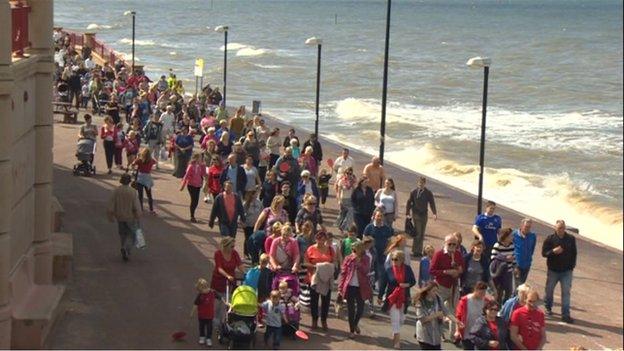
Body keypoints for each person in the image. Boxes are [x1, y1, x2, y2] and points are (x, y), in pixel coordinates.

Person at [429, 234, 465, 341]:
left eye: (455, 244)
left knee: (454, 311)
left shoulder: (458, 254)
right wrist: (446, 272)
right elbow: (432, 270)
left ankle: (453, 335)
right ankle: (438, 333)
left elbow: (462, 268)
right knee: (438, 310)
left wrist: (458, 270)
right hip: (441, 286)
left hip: (453, 287)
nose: (452, 246)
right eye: (450, 244)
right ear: (445, 243)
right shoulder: (439, 254)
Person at [542, 219, 577, 324]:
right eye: (559, 228)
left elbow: (574, 253)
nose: (561, 230)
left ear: (565, 227)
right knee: (549, 290)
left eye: (562, 227)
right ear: (555, 228)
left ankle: (565, 314)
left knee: (566, 293)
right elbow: (544, 253)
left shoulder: (571, 238)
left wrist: (572, 266)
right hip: (553, 270)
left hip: (566, 271)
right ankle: (548, 306)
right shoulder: (550, 239)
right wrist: (553, 251)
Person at [382, 250, 416, 349]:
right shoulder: (389, 270)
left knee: (401, 319)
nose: (394, 261)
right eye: (392, 259)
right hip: (392, 297)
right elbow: (383, 283)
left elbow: (413, 281)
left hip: (404, 297)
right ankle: (397, 340)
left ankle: (395, 331)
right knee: (395, 319)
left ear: (401, 260)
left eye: (396, 259)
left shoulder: (408, 269)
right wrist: (380, 296)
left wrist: (407, 285)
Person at [337, 241, 372, 339]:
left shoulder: (366, 258)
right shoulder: (348, 259)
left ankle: (355, 324)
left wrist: (359, 264)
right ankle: (352, 330)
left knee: (360, 309)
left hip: (361, 287)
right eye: (353, 249)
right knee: (350, 309)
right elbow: (343, 274)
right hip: (350, 286)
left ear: (361, 249)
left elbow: (366, 270)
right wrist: (340, 287)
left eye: (356, 249)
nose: (354, 251)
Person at [413, 281, 462, 350]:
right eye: (434, 291)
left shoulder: (438, 298)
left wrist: (457, 321)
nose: (436, 293)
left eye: (436, 291)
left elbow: (446, 312)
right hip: (424, 335)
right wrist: (436, 315)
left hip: (436, 334)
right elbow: (422, 319)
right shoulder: (420, 301)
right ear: (428, 291)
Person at [305, 231, 337, 331]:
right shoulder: (310, 249)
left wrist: (328, 267)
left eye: (323, 240)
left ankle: (324, 320)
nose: (321, 241)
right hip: (314, 277)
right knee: (314, 301)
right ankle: (314, 320)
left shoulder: (330, 250)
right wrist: (317, 267)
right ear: (316, 239)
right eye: (319, 239)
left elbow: (335, 261)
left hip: (326, 279)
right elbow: (305, 263)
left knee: (326, 301)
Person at [211, 237, 246, 328]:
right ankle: (214, 320)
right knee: (217, 302)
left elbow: (239, 265)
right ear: (226, 246)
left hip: (230, 282)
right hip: (219, 280)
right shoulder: (218, 254)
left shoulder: (234, 253)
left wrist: (245, 272)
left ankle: (223, 321)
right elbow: (219, 268)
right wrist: (227, 275)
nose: (233, 248)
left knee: (226, 302)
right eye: (232, 246)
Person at [106, 173, 141, 261]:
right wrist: (138, 215)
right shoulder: (133, 192)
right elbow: (136, 206)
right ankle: (126, 248)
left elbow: (111, 204)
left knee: (123, 234)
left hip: (119, 216)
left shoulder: (116, 191)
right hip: (130, 216)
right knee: (133, 234)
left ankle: (123, 246)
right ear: (129, 181)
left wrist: (110, 215)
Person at [363, 209, 394, 303]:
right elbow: (364, 240)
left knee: (382, 275)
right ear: (374, 216)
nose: (379, 218)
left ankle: (382, 294)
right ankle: (368, 293)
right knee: (372, 275)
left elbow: (390, 241)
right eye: (378, 216)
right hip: (371, 257)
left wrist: (387, 251)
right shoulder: (369, 228)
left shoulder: (387, 228)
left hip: (382, 256)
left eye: (381, 216)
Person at [406, 177, 438, 257]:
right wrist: (407, 212)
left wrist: (434, 213)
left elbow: (432, 203)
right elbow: (409, 202)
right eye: (420, 183)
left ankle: (418, 250)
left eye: (422, 183)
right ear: (418, 183)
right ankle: (415, 250)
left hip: (424, 214)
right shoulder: (413, 191)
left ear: (424, 183)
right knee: (418, 232)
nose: (421, 184)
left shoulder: (428, 193)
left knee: (422, 233)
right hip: (416, 214)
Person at [455, 281, 492, 349]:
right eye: (481, 293)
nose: (482, 295)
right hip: (467, 332)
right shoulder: (465, 300)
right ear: (475, 290)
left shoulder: (486, 301)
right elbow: (458, 316)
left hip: (480, 334)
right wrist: (457, 331)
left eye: (484, 293)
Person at [498, 283, 532, 349]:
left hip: (524, 333)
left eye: (526, 294)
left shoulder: (531, 306)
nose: (523, 296)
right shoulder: (510, 303)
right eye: (522, 293)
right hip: (509, 331)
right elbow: (503, 316)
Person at [490, 228, 516, 305]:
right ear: (505, 236)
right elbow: (493, 258)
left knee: (509, 291)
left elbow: (513, 257)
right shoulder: (497, 245)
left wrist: (515, 267)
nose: (512, 237)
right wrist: (505, 259)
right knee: (499, 291)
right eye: (510, 236)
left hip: (508, 271)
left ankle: (504, 306)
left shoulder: (512, 245)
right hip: (499, 272)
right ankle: (497, 307)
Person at [180, 152, 206, 223]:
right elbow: (186, 175)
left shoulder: (201, 166)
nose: (201, 158)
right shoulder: (191, 166)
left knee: (196, 201)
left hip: (198, 185)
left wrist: (204, 167)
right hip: (191, 185)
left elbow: (204, 174)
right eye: (200, 157)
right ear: (196, 158)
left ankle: (192, 214)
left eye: (201, 157)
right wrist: (183, 185)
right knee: (194, 200)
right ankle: (192, 216)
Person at [191, 278, 216, 346]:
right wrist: (192, 313)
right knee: (201, 326)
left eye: (203, 290)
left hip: (210, 315)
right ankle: (202, 336)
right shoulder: (200, 295)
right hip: (201, 315)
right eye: (201, 291)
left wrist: (225, 302)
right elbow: (195, 304)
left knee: (209, 327)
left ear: (207, 287)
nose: (203, 292)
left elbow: (219, 297)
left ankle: (208, 338)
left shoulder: (212, 292)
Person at [132, 148, 157, 214]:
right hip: (148, 178)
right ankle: (151, 209)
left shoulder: (140, 160)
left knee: (140, 195)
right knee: (149, 195)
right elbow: (155, 161)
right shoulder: (151, 160)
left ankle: (141, 208)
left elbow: (133, 163)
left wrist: (138, 156)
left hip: (140, 177)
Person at [513, 218, 537, 286]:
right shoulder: (514, 234)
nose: (527, 228)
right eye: (526, 226)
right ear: (521, 225)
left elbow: (532, 249)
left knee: (521, 285)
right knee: (516, 286)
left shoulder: (532, 236)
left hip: (526, 265)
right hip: (516, 264)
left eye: (529, 227)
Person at [242, 189, 263, 259]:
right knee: (248, 239)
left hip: (256, 224)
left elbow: (262, 212)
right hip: (248, 224)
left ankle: (253, 253)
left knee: (255, 239)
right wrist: (242, 222)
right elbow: (241, 213)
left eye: (257, 194)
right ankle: (246, 253)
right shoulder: (246, 203)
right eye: (254, 194)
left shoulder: (259, 203)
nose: (256, 195)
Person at [336, 167, 357, 232]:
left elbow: (354, 190)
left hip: (350, 199)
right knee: (342, 214)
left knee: (350, 213)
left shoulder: (352, 181)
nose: (348, 175)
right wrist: (339, 200)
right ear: (345, 173)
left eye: (350, 174)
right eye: (347, 173)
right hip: (343, 199)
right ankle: (338, 224)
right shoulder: (341, 181)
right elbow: (339, 192)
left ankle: (344, 227)